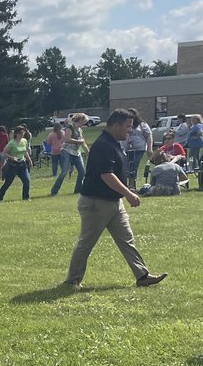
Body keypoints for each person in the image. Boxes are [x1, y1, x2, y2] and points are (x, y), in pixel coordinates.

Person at [64, 109, 167, 289]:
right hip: (96, 203)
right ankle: (72, 280)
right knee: (86, 243)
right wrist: (129, 193)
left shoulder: (114, 143)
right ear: (115, 125)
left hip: (113, 202)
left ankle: (142, 276)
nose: (129, 130)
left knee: (127, 239)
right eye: (127, 127)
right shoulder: (103, 145)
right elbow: (106, 175)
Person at [50, 114, 87, 196]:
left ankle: (78, 190)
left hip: (76, 152)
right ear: (79, 120)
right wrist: (79, 142)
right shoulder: (70, 128)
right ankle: (54, 191)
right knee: (64, 172)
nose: (84, 124)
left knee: (82, 171)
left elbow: (82, 142)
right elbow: (67, 139)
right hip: (67, 151)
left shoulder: (80, 130)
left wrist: (88, 152)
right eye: (83, 122)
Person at [0, 125, 32, 202]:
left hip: (22, 164)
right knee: (8, 183)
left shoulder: (24, 141)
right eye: (20, 133)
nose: (22, 134)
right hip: (13, 165)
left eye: (23, 132)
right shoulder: (11, 143)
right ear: (16, 133)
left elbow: (25, 152)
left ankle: (26, 197)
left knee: (26, 180)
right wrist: (12, 157)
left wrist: (29, 160)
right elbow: (4, 153)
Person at [124, 110, 153, 189]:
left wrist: (149, 149)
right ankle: (126, 185)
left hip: (139, 149)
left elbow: (149, 135)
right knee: (126, 166)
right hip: (126, 149)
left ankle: (131, 185)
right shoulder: (125, 124)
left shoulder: (142, 124)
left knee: (133, 166)